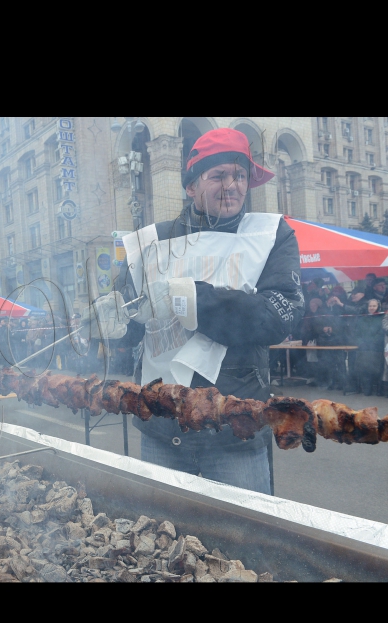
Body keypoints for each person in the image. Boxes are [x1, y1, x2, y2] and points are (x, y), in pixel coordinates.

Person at [117, 128, 304, 496]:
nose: (231, 185)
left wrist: (191, 298)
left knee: (244, 540)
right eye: (218, 175)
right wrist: (115, 321)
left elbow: (278, 317)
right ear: (191, 186)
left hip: (234, 430)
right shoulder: (151, 241)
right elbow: (130, 326)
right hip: (160, 425)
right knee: (159, 536)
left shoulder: (272, 235)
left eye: (239, 175)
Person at [354, 299, 385, 397]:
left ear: (378, 307)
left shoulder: (382, 318)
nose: (371, 308)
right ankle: (367, 390)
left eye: (374, 306)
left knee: (377, 370)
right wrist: (362, 342)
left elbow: (381, 333)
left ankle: (379, 391)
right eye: (370, 306)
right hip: (364, 348)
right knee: (365, 370)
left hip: (376, 348)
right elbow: (357, 333)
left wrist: (372, 342)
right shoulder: (362, 318)